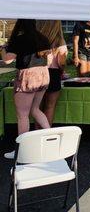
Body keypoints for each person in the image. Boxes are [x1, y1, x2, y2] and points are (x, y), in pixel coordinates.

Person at [0, 20, 51, 159]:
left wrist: (2, 49)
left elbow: (7, 60)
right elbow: (50, 60)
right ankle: (51, 140)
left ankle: (22, 152)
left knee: (22, 115)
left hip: (27, 76)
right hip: (43, 75)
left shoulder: (19, 39)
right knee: (35, 109)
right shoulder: (43, 37)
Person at [36, 20, 68, 127]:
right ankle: (46, 133)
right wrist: (63, 70)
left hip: (38, 72)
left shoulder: (36, 38)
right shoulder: (60, 41)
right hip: (53, 74)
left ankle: (37, 133)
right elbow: (61, 63)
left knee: (37, 108)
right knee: (50, 106)